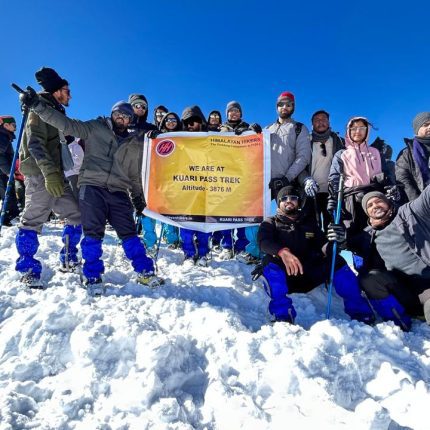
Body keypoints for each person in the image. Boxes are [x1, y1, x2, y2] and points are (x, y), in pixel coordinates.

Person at [19, 88, 163, 292]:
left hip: (118, 191)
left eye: (125, 117)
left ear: (130, 120)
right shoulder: (95, 127)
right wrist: (37, 106)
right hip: (92, 188)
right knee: (93, 234)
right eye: (117, 114)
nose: (120, 118)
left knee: (129, 233)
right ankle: (92, 275)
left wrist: (138, 199)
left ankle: (145, 272)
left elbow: (133, 175)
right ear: (112, 114)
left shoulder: (132, 144)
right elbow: (66, 124)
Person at [256, 185, 374, 324]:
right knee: (269, 263)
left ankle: (360, 311)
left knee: (338, 261)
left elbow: (324, 246)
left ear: (298, 202)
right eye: (284, 198)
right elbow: (264, 242)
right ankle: (282, 314)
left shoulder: (309, 223)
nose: (289, 201)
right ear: (278, 202)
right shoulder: (270, 222)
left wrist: (337, 242)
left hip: (309, 272)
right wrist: (282, 252)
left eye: (293, 198)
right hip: (286, 275)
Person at [15, 67, 82, 287]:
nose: (70, 94)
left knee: (75, 214)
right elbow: (35, 144)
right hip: (40, 173)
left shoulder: (55, 111)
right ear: (56, 91)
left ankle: (69, 257)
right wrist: (49, 172)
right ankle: (28, 270)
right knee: (32, 220)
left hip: (56, 173)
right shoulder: (39, 109)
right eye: (67, 90)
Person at [330, 188, 430, 327]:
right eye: (369, 205)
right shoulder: (366, 236)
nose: (375, 206)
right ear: (367, 213)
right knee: (370, 279)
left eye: (379, 201)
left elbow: (426, 198)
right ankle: (399, 322)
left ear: (388, 203)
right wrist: (340, 241)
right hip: (400, 289)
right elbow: (346, 254)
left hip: (426, 284)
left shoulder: (408, 213)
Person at [241, 91, 311, 265]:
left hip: (288, 181)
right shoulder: (268, 129)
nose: (284, 107)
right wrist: (252, 133)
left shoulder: (299, 128)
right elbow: (254, 150)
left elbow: (303, 156)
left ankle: (286, 254)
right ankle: (255, 251)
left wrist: (287, 178)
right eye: (281, 104)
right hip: (266, 180)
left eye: (288, 104)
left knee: (287, 219)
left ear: (293, 107)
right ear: (277, 107)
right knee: (255, 215)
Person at [328, 116, 397, 236]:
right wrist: (332, 198)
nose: (358, 131)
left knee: (381, 228)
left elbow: (386, 174)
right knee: (356, 233)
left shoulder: (375, 152)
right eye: (353, 128)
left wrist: (391, 187)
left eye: (362, 128)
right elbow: (334, 178)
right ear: (348, 131)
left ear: (367, 130)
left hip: (375, 194)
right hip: (352, 198)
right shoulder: (342, 154)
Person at [219, 101, 262, 260]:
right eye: (231, 111)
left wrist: (257, 133)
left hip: (244, 177)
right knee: (225, 212)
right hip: (225, 176)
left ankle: (241, 245)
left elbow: (259, 146)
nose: (234, 113)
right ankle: (227, 246)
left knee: (243, 212)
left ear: (241, 113)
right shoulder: (220, 130)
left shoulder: (248, 128)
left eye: (237, 110)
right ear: (227, 113)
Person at [300, 110, 344, 232]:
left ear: (329, 122)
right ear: (312, 124)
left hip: (332, 193)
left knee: (332, 226)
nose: (321, 122)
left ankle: (330, 250)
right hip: (311, 192)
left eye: (324, 119)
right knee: (311, 228)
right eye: (317, 120)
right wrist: (306, 180)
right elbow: (299, 165)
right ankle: (313, 250)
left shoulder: (339, 141)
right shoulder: (305, 141)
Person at [179, 106, 212, 266]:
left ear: (201, 121)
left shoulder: (212, 138)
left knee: (203, 224)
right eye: (188, 122)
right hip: (186, 187)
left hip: (206, 188)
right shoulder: (180, 140)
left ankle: (204, 253)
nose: (191, 125)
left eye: (195, 121)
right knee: (185, 224)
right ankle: (189, 254)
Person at [395, 112, 430, 202]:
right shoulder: (406, 154)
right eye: (425, 125)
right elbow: (403, 179)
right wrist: (418, 204)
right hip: (423, 202)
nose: (429, 127)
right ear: (417, 130)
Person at [0, 115, 20, 226]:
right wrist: (7, 171)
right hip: (2, 172)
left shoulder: (5, 137)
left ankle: (10, 217)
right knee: (8, 194)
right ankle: (7, 218)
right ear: (5, 125)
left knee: (10, 193)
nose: (15, 127)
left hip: (4, 172)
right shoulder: (2, 137)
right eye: (13, 125)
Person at [64, 137, 84, 202]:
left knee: (76, 195)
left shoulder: (76, 147)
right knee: (70, 196)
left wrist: (69, 168)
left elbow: (78, 161)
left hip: (74, 175)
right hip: (67, 175)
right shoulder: (65, 147)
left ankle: (80, 208)